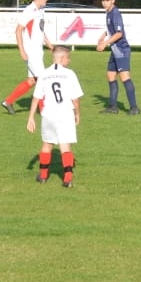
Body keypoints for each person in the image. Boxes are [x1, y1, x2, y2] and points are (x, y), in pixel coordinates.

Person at [27, 43, 83, 187]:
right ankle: (67, 179)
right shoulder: (69, 74)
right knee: (65, 146)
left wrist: (31, 117)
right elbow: (75, 98)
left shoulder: (44, 74)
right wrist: (77, 113)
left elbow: (36, 97)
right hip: (65, 114)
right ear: (62, 58)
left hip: (48, 115)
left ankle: (43, 175)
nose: (69, 60)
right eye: (68, 58)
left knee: (47, 145)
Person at [1, 0, 49, 114]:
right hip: (31, 52)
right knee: (42, 80)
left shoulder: (41, 10)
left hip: (38, 51)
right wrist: (22, 50)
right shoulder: (29, 11)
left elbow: (40, 30)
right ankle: (44, 111)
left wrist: (49, 44)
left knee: (32, 80)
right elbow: (18, 31)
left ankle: (8, 101)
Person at [95, 0, 140, 115]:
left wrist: (104, 43)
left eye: (107, 0)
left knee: (125, 77)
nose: (105, 3)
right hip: (115, 50)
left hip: (121, 50)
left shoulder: (115, 13)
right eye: (103, 1)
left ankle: (134, 107)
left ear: (113, 1)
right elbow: (112, 29)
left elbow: (119, 33)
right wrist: (104, 34)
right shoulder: (108, 13)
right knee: (110, 75)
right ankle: (113, 107)